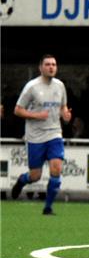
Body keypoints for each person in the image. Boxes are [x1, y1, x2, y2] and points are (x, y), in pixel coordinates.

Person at [10, 55, 72, 215]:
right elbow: (17, 110)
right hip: (35, 137)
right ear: (41, 67)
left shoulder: (60, 86)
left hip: (54, 133)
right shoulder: (32, 87)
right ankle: (22, 181)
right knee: (35, 176)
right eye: (48, 64)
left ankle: (48, 207)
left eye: (54, 64)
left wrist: (65, 115)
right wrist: (37, 115)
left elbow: (63, 107)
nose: (51, 67)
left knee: (56, 168)